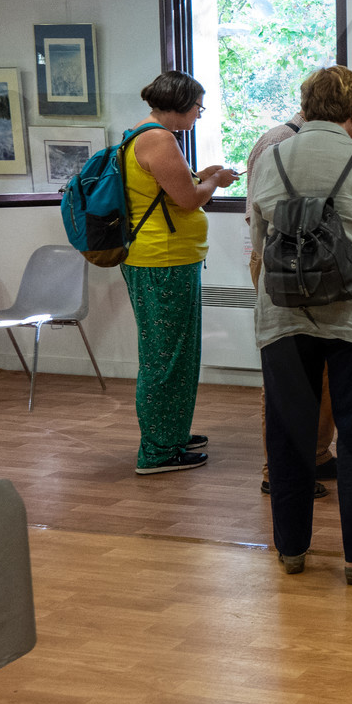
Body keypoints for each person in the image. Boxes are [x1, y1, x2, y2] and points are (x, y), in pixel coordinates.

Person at [250, 66, 352, 585]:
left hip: (284, 314)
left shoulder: (270, 155)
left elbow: (259, 243)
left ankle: (292, 550)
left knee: (288, 435)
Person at [121, 71, 239, 475]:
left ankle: (170, 433)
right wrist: (215, 182)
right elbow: (188, 201)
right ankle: (157, 451)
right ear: (182, 103)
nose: (199, 115)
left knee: (175, 352)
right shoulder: (159, 138)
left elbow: (166, 192)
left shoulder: (140, 134)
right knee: (165, 357)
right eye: (198, 108)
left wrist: (202, 176)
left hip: (161, 260)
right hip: (162, 262)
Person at [244, 109, 334, 500]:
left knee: (324, 364)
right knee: (286, 367)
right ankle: (276, 468)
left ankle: (316, 454)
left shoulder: (304, 140)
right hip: (283, 258)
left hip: (307, 258)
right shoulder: (280, 141)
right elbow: (263, 218)